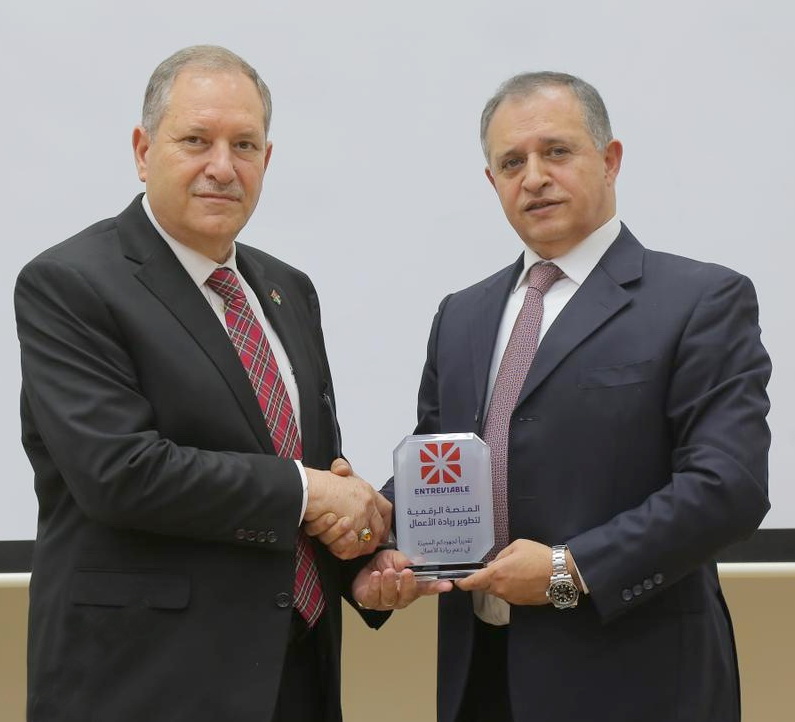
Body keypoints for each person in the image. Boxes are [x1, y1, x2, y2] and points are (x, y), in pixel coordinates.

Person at [14, 45, 442, 722]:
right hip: (145, 684)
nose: (222, 166)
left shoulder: (287, 289)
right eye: (196, 141)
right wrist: (313, 492)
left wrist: (363, 563)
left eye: (244, 145)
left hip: (294, 675)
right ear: (142, 151)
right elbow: (120, 473)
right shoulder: (71, 283)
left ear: (266, 160)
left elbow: (305, 465)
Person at [383, 72, 771, 722]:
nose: (534, 177)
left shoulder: (700, 301)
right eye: (512, 162)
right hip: (480, 677)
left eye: (556, 152)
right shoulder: (460, 315)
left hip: (637, 683)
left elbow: (727, 486)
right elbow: (435, 468)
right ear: (492, 182)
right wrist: (375, 531)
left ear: (609, 160)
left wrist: (570, 568)